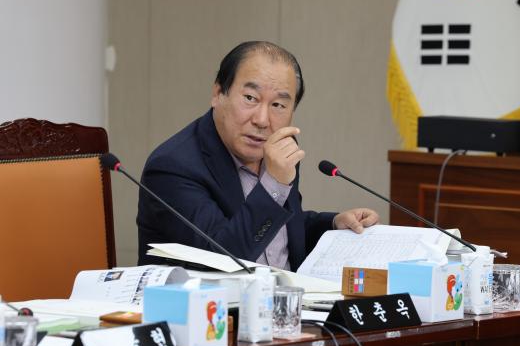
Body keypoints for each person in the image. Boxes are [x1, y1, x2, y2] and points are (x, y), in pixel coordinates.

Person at [137, 41, 379, 270]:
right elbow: (222, 256)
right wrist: (274, 184)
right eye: (250, 98)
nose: (262, 120)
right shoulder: (173, 167)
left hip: (288, 295)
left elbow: (279, 233)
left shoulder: (280, 150)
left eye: (278, 105)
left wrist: (334, 224)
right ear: (218, 94)